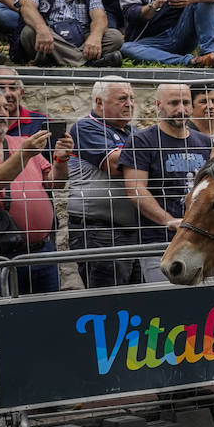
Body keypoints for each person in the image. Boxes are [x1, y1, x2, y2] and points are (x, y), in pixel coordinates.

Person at [119, 83, 214, 282]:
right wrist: (169, 220)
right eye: (174, 103)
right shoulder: (141, 141)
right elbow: (135, 189)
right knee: (166, 304)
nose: (181, 109)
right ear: (158, 105)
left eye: (185, 103)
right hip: (159, 242)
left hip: (200, 241)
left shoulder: (205, 143)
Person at [0, 86, 69, 294]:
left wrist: (61, 158)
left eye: (4, 108)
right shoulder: (26, 147)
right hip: (0, 258)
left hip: (42, 252)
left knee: (48, 318)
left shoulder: (21, 142)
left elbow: (55, 183)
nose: (1, 113)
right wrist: (24, 154)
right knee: (6, 320)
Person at [68, 77, 141, 289]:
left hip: (131, 230)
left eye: (132, 98)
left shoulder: (133, 132)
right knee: (109, 302)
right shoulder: (85, 128)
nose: (130, 104)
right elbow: (114, 164)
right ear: (99, 102)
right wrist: (151, 153)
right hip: (99, 230)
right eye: (122, 99)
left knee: (138, 299)